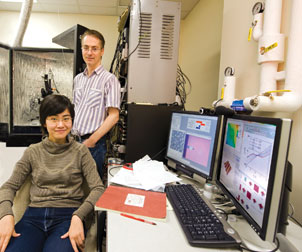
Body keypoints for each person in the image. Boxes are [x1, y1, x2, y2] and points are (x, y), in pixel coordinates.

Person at [0, 94, 104, 252]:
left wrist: (78, 216)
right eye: (53, 119)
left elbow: (98, 188)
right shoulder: (33, 151)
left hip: (67, 216)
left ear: (72, 120)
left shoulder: (81, 151)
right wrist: (6, 216)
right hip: (33, 218)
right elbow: (8, 187)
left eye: (66, 118)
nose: (60, 124)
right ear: (44, 122)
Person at [72, 29, 121, 179]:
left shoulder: (109, 80)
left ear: (102, 51)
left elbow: (114, 116)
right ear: (81, 49)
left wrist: (91, 141)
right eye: (86, 48)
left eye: (94, 48)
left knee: (92, 188)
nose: (89, 52)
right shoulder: (78, 79)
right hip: (74, 142)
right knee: (75, 186)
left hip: (94, 146)